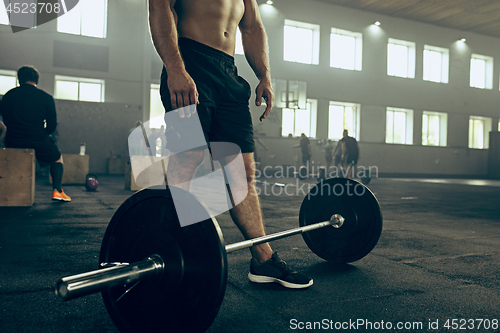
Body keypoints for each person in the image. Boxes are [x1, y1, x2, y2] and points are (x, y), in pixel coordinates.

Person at [149, 0, 312, 288]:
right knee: (189, 159)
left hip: (228, 73)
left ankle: (263, 259)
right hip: (190, 63)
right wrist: (175, 68)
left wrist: (265, 74)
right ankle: (167, 247)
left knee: (244, 174)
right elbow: (160, 8)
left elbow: (252, 29)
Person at [0, 66, 71, 202]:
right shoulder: (46, 97)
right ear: (36, 80)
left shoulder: (7, 96)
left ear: (19, 79)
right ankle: (57, 191)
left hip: (12, 141)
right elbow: (51, 126)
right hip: (37, 139)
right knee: (57, 157)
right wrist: (43, 134)